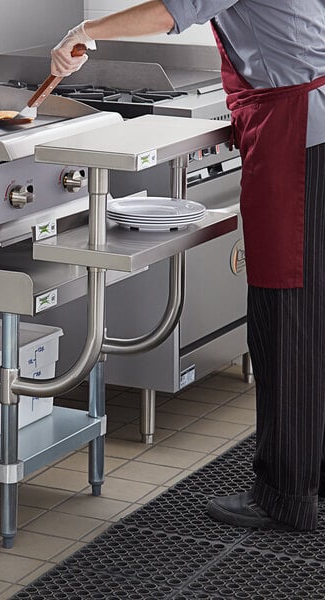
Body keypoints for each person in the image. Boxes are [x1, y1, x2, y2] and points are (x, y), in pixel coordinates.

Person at [51, 0, 325, 531]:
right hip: (314, 124)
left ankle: (285, 496)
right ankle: (310, 475)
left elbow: (167, 13)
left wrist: (82, 31)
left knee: (287, 315)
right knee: (315, 314)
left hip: (297, 137)